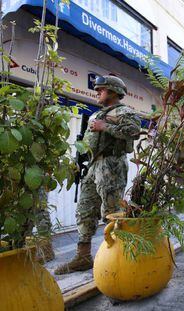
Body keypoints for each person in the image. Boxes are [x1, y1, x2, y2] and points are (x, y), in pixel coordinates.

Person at [55, 75, 141, 274]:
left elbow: (134, 131)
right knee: (85, 209)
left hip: (111, 165)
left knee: (112, 211)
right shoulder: (96, 115)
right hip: (93, 166)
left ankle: (119, 257)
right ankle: (83, 256)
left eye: (100, 90)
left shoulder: (124, 111)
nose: (97, 93)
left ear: (112, 91)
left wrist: (106, 127)